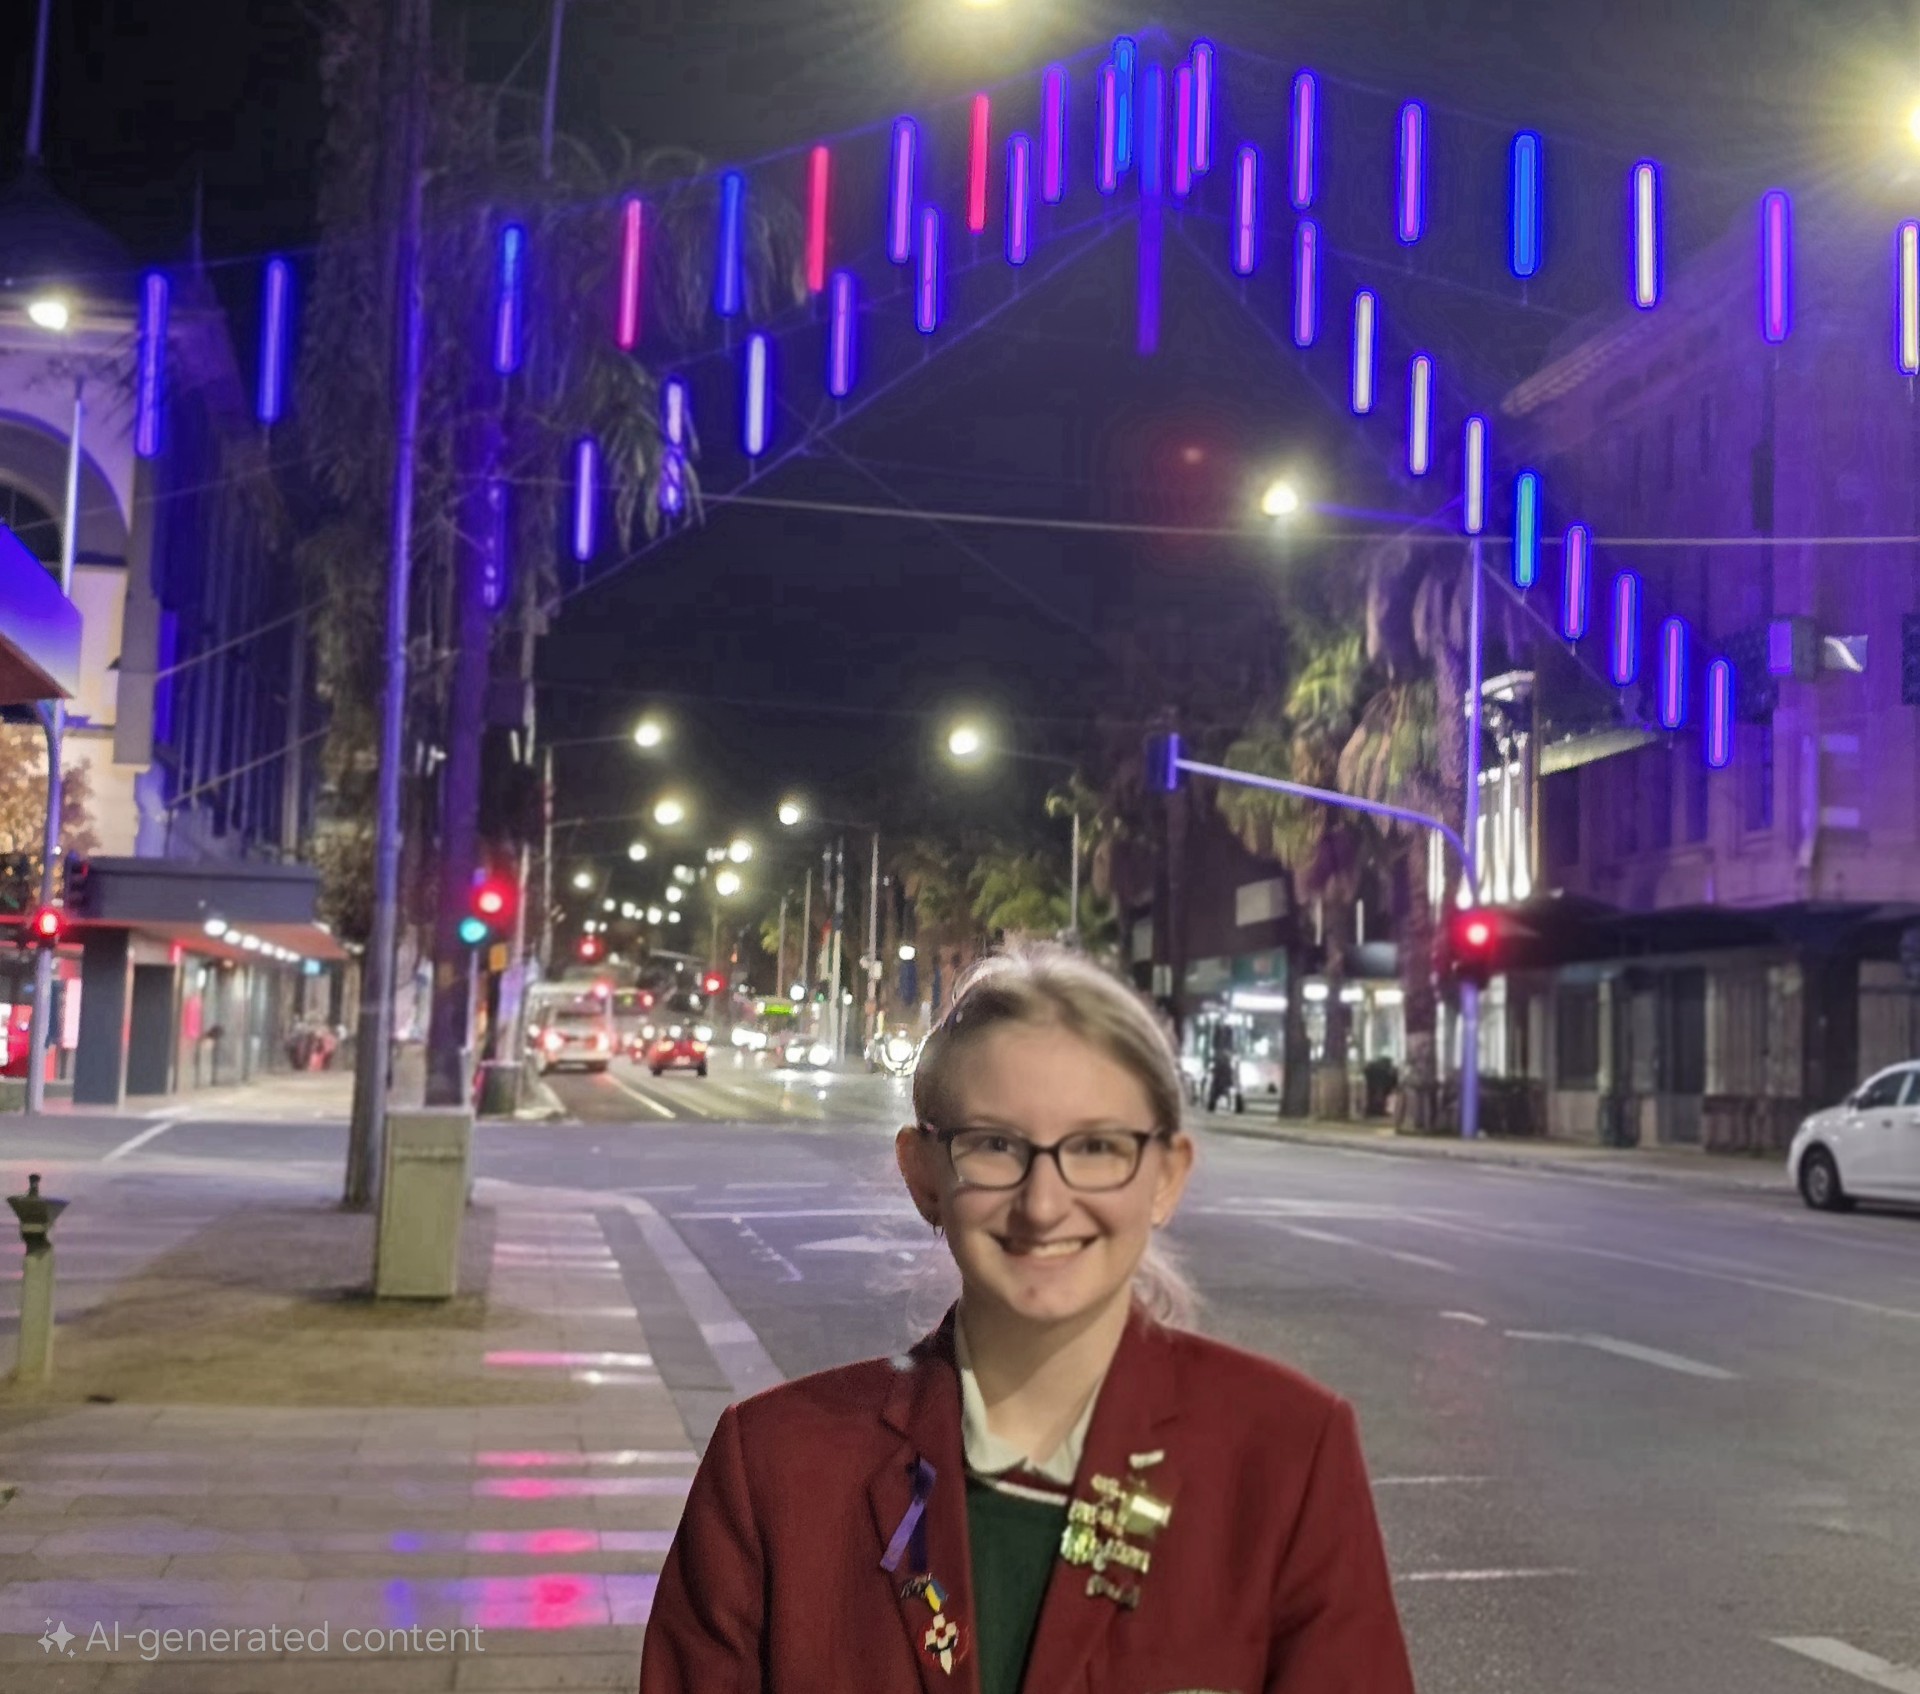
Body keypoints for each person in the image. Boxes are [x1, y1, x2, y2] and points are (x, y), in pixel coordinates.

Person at [639, 944, 1414, 1694]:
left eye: (1099, 1147)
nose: (1044, 1205)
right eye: (995, 1145)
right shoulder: (778, 1466)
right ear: (924, 1175)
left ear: (1165, 1177)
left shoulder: (1285, 1453)